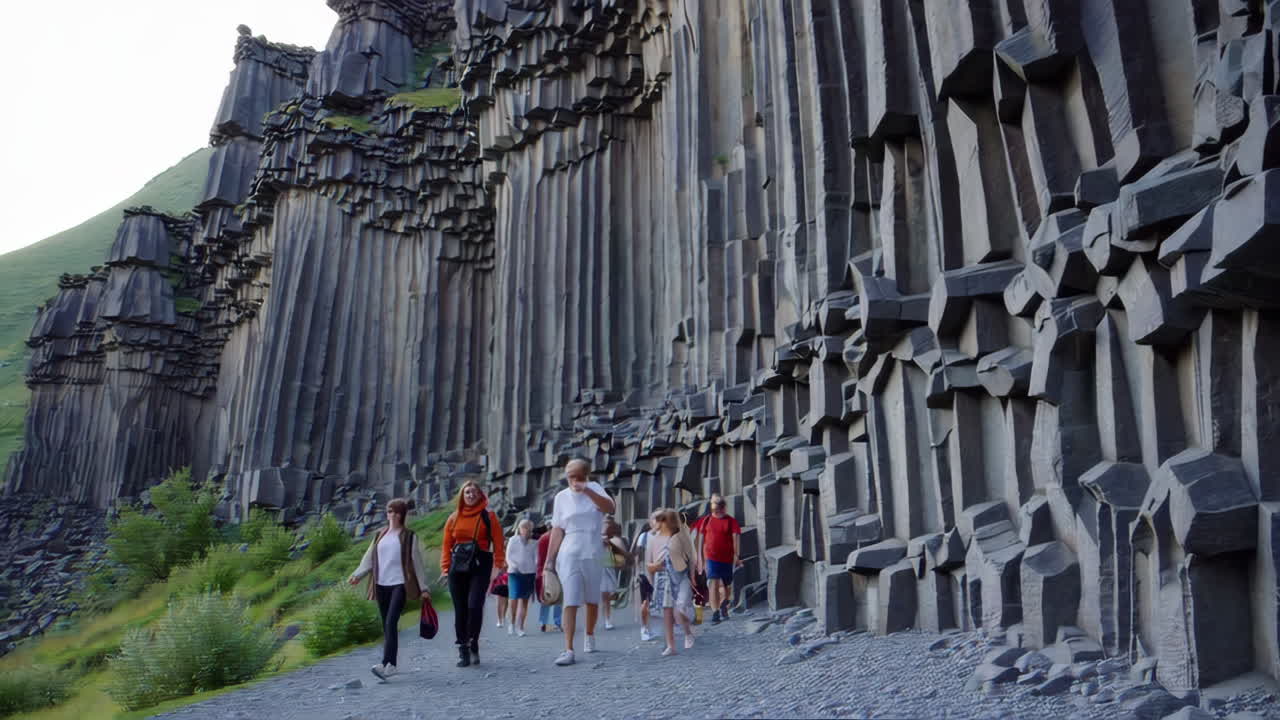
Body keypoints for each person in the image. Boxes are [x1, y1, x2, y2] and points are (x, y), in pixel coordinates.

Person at [347, 498, 432, 681]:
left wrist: (423, 587)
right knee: (386, 626)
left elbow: (417, 563)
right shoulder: (380, 535)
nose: (392, 515)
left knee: (390, 623)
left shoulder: (409, 536)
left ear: (402, 515)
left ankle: (389, 664)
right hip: (381, 584)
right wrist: (357, 575)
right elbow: (368, 558)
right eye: (389, 511)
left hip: (399, 585)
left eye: (396, 512)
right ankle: (387, 664)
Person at [544, 458, 616, 666]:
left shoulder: (595, 488)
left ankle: (590, 634)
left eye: (578, 476)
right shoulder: (561, 497)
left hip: (593, 551)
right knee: (571, 599)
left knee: (592, 599)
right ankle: (568, 649)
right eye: (570, 476)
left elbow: (610, 508)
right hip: (569, 552)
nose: (574, 480)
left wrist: (587, 490)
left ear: (586, 475)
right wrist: (549, 560)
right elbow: (557, 529)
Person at [440, 481, 506, 667]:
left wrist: (498, 565)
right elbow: (446, 545)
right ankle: (463, 649)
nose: (470, 495)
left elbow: (499, 542)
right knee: (460, 609)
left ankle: (473, 642)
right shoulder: (453, 518)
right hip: (457, 565)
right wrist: (445, 569)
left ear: (480, 495)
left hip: (480, 564)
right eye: (467, 492)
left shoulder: (488, 516)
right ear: (462, 495)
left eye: (474, 492)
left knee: (474, 605)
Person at [646, 508, 696, 656]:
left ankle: (687, 631)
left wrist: (692, 575)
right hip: (663, 578)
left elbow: (690, 558)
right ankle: (671, 645)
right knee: (667, 613)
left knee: (678, 610)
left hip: (679, 576)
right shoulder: (654, 539)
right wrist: (655, 571)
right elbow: (649, 563)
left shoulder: (680, 537)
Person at [696, 493, 743, 622]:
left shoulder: (731, 521)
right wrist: (700, 558)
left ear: (724, 508)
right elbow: (700, 539)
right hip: (711, 557)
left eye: (721, 508)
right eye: (716, 508)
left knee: (727, 585)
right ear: (712, 508)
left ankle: (724, 605)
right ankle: (715, 612)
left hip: (727, 559)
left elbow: (736, 538)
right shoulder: (706, 521)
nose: (719, 511)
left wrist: (737, 556)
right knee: (713, 582)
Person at [630, 510, 661, 641]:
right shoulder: (645, 536)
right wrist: (637, 572)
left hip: (662, 573)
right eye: (656, 519)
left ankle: (668, 626)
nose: (659, 522)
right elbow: (638, 555)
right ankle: (644, 628)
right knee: (645, 602)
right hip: (645, 573)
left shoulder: (666, 535)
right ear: (650, 521)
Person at [506, 518, 538, 637]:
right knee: (513, 599)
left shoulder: (534, 543)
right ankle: (511, 624)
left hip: (529, 574)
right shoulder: (513, 540)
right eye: (527, 529)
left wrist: (536, 569)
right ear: (521, 529)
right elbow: (508, 557)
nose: (530, 532)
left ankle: (521, 627)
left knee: (524, 601)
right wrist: (514, 566)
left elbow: (536, 558)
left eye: (531, 530)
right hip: (514, 573)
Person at [600, 516, 629, 630]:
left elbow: (621, 558)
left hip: (608, 569)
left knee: (607, 596)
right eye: (604, 523)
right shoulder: (596, 537)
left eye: (608, 524)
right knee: (603, 596)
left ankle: (607, 619)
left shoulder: (615, 539)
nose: (606, 526)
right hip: (599, 569)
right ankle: (604, 619)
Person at [535, 521, 563, 632]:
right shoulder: (558, 538)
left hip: (543, 570)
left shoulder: (542, 539)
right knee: (559, 597)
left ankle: (543, 622)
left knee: (545, 596)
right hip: (557, 570)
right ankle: (558, 622)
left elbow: (538, 558)